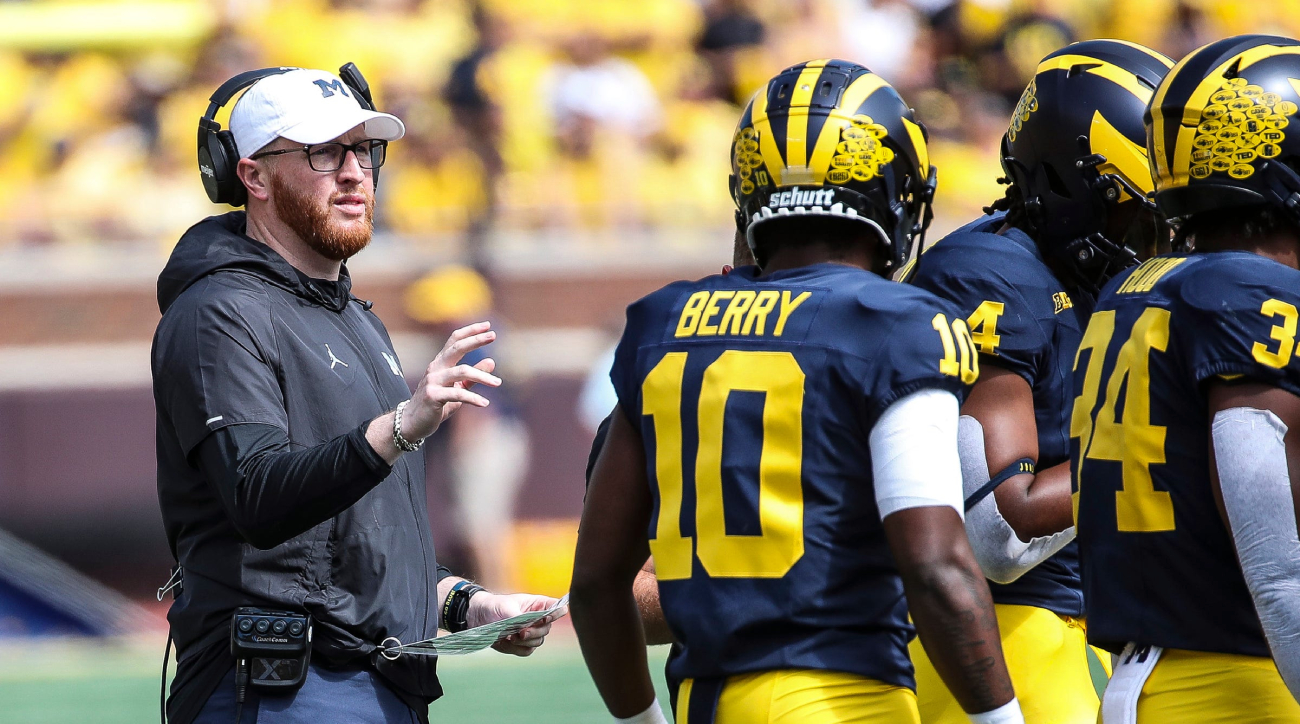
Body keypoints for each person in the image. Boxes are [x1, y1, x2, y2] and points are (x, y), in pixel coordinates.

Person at [571, 59, 1024, 724]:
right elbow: (935, 566)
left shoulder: (662, 325)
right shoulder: (897, 325)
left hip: (706, 699)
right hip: (843, 699)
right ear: (893, 192)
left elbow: (595, 585)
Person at [153, 67, 560, 724]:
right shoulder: (219, 312)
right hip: (281, 689)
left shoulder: (355, 319)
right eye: (322, 152)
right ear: (251, 177)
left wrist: (468, 605)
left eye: (363, 150)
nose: (353, 172)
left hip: (372, 683)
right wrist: (401, 424)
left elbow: (360, 545)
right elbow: (258, 497)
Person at [902, 40, 1172, 723]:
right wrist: (1170, 453)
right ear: (1069, 184)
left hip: (1097, 616)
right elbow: (1003, 531)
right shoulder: (994, 278)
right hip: (1007, 628)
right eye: (1135, 207)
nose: (1161, 235)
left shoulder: (1085, 274)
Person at [1076, 34, 1300, 721]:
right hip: (1241, 682)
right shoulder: (1249, 292)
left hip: (1156, 670)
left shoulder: (1131, 288)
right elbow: (1274, 555)